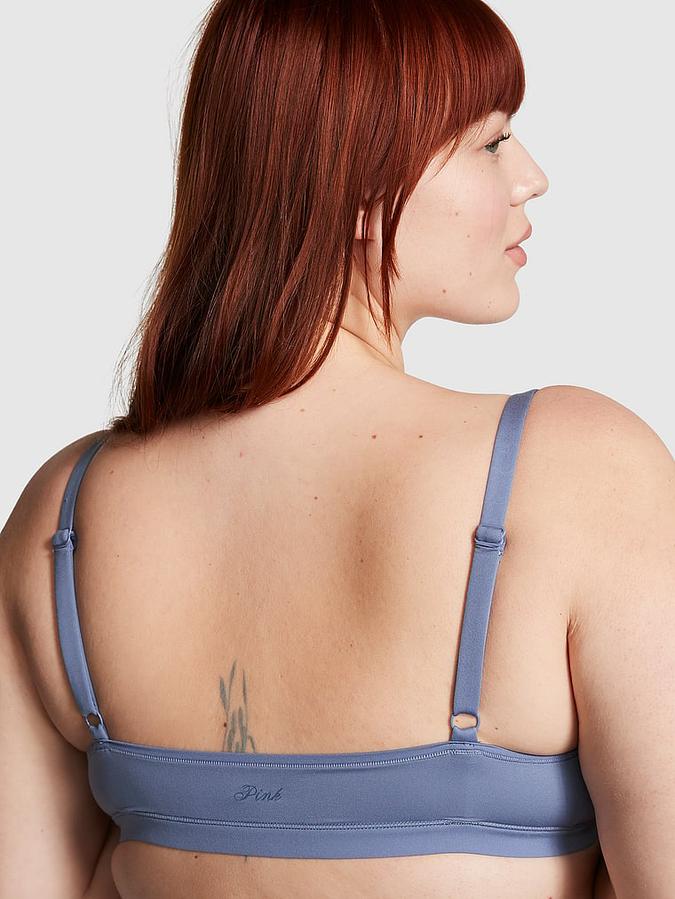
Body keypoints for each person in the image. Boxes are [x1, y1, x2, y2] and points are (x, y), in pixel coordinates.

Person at [1, 1, 673, 897]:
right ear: (360, 188)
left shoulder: (65, 511)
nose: (530, 177)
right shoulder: (580, 471)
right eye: (490, 142)